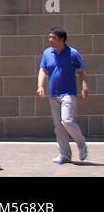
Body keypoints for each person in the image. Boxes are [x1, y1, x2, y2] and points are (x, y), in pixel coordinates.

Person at [38, 26, 89, 164]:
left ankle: (81, 143)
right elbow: (43, 70)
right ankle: (65, 155)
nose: (50, 40)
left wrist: (84, 87)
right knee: (58, 126)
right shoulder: (47, 53)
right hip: (53, 94)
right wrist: (40, 86)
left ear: (62, 40)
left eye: (53, 38)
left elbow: (81, 72)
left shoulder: (73, 53)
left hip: (68, 93)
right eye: (49, 37)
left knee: (67, 121)